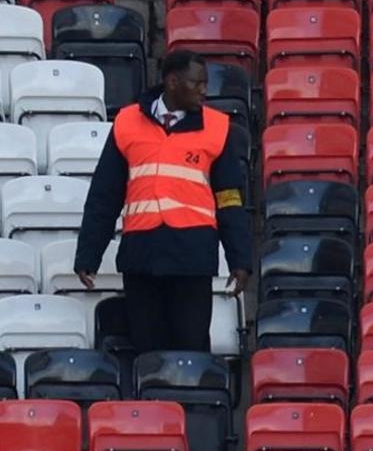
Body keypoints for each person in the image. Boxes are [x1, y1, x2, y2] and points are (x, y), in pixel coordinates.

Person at [74, 49, 252, 353]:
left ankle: (192, 403)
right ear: (172, 82)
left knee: (192, 350)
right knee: (147, 352)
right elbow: (105, 195)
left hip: (192, 258)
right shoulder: (127, 123)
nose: (204, 90)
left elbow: (230, 199)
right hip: (142, 257)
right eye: (196, 83)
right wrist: (88, 254)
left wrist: (240, 259)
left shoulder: (218, 129)